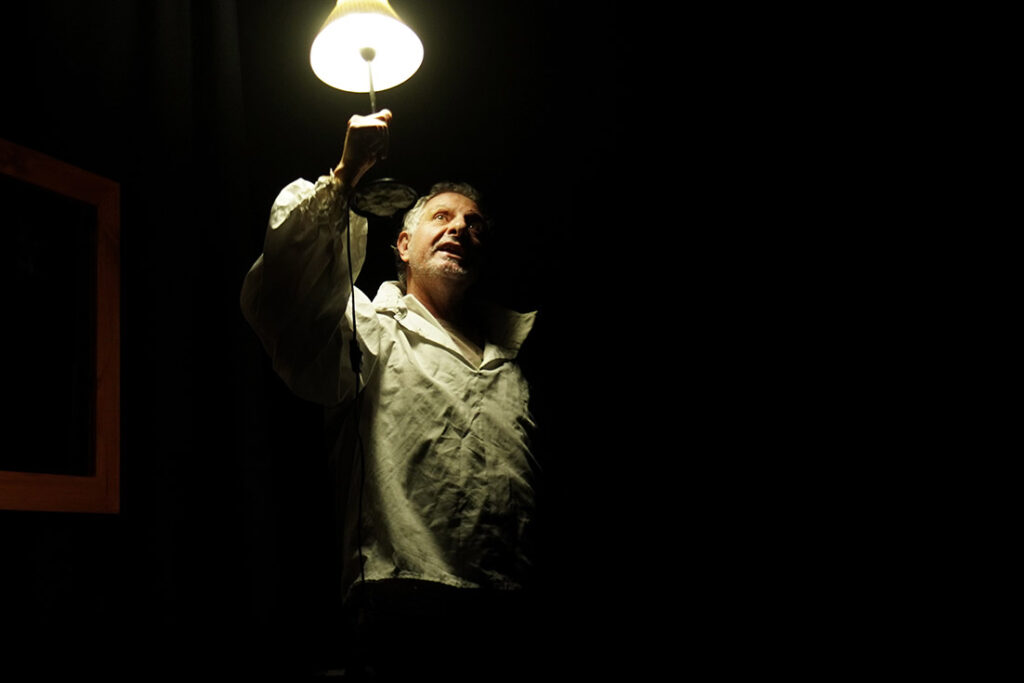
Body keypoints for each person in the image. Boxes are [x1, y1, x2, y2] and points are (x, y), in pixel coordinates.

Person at [240, 110, 541, 681]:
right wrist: (345, 176)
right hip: (404, 607)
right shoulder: (370, 329)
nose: (460, 228)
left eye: (474, 224)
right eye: (443, 217)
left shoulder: (514, 359)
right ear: (403, 244)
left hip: (511, 614)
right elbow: (286, 299)